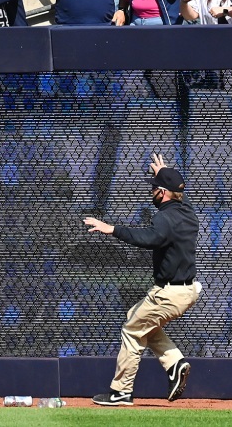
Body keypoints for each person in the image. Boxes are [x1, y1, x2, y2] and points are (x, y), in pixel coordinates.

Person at [84, 156, 198, 407]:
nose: (152, 191)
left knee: (132, 330)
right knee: (137, 318)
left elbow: (148, 238)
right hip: (187, 290)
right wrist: (165, 171)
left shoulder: (165, 219)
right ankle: (175, 364)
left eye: (155, 187)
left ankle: (121, 392)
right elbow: (181, 193)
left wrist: (110, 228)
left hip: (169, 293)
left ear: (165, 193)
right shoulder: (186, 211)